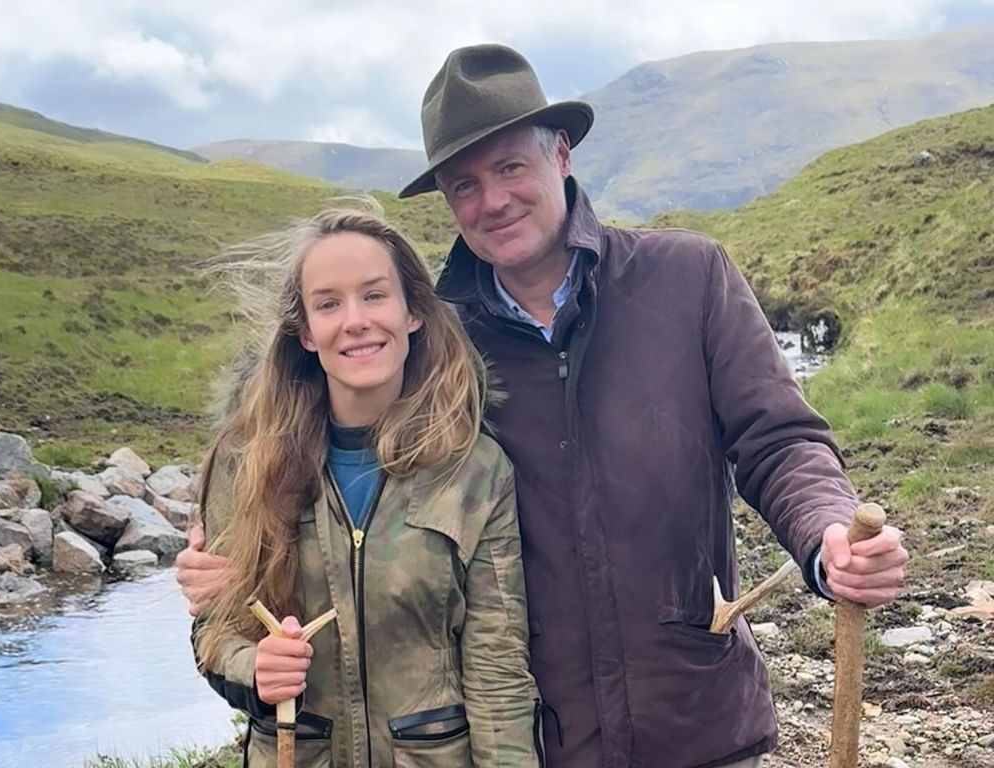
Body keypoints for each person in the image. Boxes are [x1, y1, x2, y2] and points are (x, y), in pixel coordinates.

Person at [180, 45, 909, 768]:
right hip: (540, 740)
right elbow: (324, 449)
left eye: (509, 167)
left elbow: (779, 440)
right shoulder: (436, 340)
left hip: (695, 722)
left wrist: (825, 538)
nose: (492, 200)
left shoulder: (688, 279)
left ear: (560, 152)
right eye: (464, 184)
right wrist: (228, 557)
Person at [189, 204, 541, 767]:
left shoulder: (474, 468)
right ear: (305, 332)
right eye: (329, 304)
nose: (355, 320)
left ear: (413, 313)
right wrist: (252, 668)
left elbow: (497, 670)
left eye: (375, 295)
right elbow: (214, 630)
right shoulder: (245, 461)